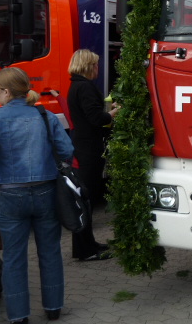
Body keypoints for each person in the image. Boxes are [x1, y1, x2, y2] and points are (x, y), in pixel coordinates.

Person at [0, 67, 74, 323]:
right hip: (47, 192)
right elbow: (67, 150)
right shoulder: (45, 116)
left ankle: (19, 316)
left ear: (6, 92)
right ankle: (53, 308)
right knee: (50, 252)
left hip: (11, 197)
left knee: (14, 257)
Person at [67, 49, 119, 261]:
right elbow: (97, 118)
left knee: (85, 199)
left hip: (83, 147)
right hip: (89, 150)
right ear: (88, 66)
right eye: (96, 64)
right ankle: (85, 250)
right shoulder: (85, 87)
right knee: (86, 200)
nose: (98, 68)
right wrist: (115, 112)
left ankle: (89, 244)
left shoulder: (76, 85)